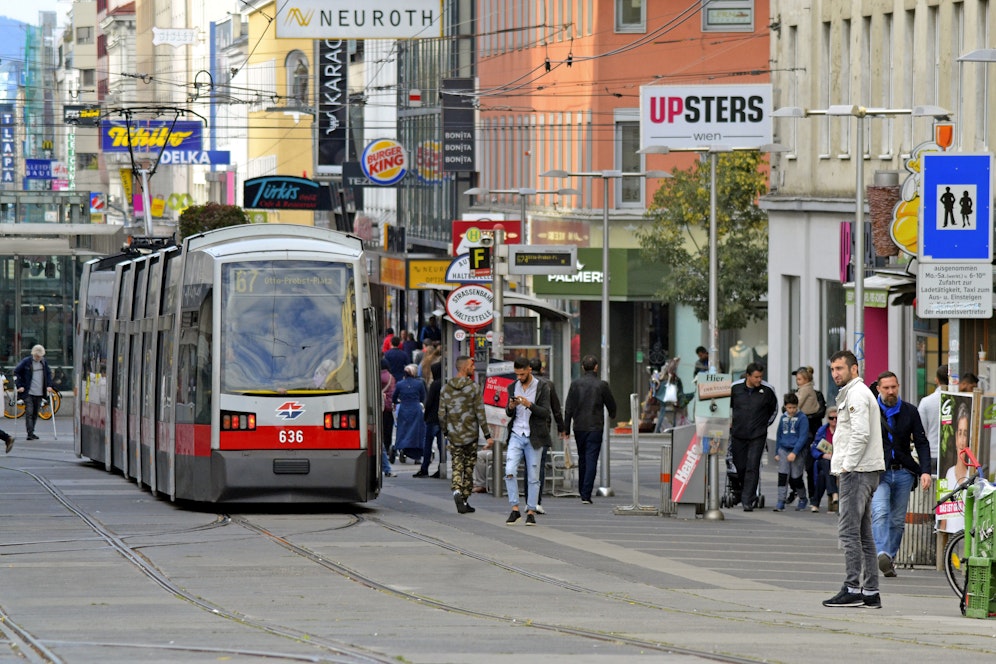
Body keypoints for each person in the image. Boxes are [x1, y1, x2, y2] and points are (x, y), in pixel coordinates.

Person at [822, 350, 884, 609]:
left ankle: (851, 587)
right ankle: (870, 591)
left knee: (848, 532)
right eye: (833, 369)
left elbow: (860, 435)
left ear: (854, 369)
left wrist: (846, 467)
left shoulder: (857, 394)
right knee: (863, 534)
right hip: (865, 470)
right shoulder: (855, 393)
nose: (836, 373)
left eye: (840, 368)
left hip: (857, 472)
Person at [872, 371, 932, 579]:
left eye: (894, 387)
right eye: (886, 388)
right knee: (879, 511)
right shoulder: (870, 410)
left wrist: (925, 471)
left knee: (897, 520)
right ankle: (881, 552)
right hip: (878, 472)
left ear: (898, 387)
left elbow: (922, 442)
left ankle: (889, 557)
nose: (891, 391)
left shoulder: (909, 411)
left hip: (904, 472)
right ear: (878, 389)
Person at [439, 355, 494, 514]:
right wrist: (487, 435)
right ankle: (464, 498)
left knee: (457, 465)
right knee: (468, 468)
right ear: (464, 367)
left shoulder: (446, 388)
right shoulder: (474, 388)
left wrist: (445, 431)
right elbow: (480, 413)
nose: (474, 367)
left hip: (454, 435)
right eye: (471, 365)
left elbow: (441, 414)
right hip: (470, 435)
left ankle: (456, 491)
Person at [504, 356, 553, 525]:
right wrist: (510, 407)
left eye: (522, 374)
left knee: (533, 475)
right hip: (516, 434)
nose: (519, 378)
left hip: (534, 436)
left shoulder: (542, 387)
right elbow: (508, 413)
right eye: (517, 374)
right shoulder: (512, 387)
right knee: (509, 470)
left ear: (529, 370)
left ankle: (531, 510)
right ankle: (515, 509)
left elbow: (546, 412)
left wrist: (529, 404)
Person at [564, 354, 617, 505]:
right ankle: (586, 494)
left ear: (582, 367)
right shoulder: (602, 385)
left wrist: (566, 428)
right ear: (596, 367)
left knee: (582, 458)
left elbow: (569, 408)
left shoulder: (575, 384)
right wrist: (612, 414)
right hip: (595, 426)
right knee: (591, 458)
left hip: (579, 426)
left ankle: (582, 489)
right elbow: (611, 404)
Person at [729, 362, 778, 511]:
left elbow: (773, 410)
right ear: (748, 376)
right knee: (740, 466)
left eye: (761, 377)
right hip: (738, 434)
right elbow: (726, 406)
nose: (759, 380)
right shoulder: (735, 388)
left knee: (753, 466)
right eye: (756, 377)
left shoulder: (768, 390)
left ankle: (747, 500)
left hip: (758, 435)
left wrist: (763, 425)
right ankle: (745, 491)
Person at [530, 356, 566, 514]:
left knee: (529, 464)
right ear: (542, 369)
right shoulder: (548, 384)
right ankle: (536, 500)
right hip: (543, 428)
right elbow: (556, 408)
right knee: (540, 464)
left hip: (526, 428)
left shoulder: (524, 384)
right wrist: (561, 426)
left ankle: (530, 500)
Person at [793, 366, 824, 508]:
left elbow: (796, 405)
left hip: (811, 433)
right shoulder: (801, 391)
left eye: (799, 379)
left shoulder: (807, 391)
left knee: (809, 466)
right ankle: (800, 492)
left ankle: (811, 495)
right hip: (802, 433)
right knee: (795, 466)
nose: (797, 381)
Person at [773, 393, 809, 512]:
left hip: (797, 451)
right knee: (783, 475)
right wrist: (777, 451)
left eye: (794, 407)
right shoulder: (783, 418)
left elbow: (803, 437)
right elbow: (779, 435)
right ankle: (780, 500)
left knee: (796, 477)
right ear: (785, 406)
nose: (792, 410)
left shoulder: (802, 418)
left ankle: (803, 498)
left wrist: (795, 452)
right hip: (783, 449)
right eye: (789, 408)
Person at [14, 344, 54, 441]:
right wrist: (19, 386)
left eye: (40, 356)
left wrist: (49, 385)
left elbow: (48, 374)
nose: (38, 358)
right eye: (37, 356)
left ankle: (32, 431)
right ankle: (30, 433)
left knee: (35, 412)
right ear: (33, 354)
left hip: (39, 391)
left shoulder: (43, 362)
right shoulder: (26, 362)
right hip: (28, 391)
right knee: (29, 412)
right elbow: (16, 372)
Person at [415, 362, 445, 478]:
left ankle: (425, 468)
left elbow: (429, 402)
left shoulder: (434, 385)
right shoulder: (444, 384)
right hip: (442, 419)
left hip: (432, 418)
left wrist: (425, 416)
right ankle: (440, 467)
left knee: (428, 444)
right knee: (441, 445)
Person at [392, 364, 427, 464]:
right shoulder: (419, 384)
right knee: (416, 432)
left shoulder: (400, 384)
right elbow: (423, 397)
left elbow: (394, 397)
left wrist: (396, 402)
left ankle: (402, 448)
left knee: (403, 429)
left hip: (404, 409)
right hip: (416, 409)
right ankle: (417, 455)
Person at [917, 364, 948, 464]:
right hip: (954, 455)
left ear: (936, 380)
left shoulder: (926, 402)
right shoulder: (960, 400)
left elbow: (921, 431)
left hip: (932, 452)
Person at [811, 407, 839, 513]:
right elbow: (814, 449)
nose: (834, 420)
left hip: (838, 461)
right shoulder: (822, 431)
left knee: (823, 474)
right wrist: (823, 455)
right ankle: (834, 493)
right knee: (826, 462)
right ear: (827, 419)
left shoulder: (843, 431)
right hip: (823, 459)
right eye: (831, 418)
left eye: (836, 418)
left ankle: (815, 503)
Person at [380, 359, 397, 477]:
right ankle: (387, 446)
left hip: (380, 407)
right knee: (388, 431)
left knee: (380, 432)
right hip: (389, 407)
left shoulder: (378, 376)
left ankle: (384, 454)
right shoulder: (391, 377)